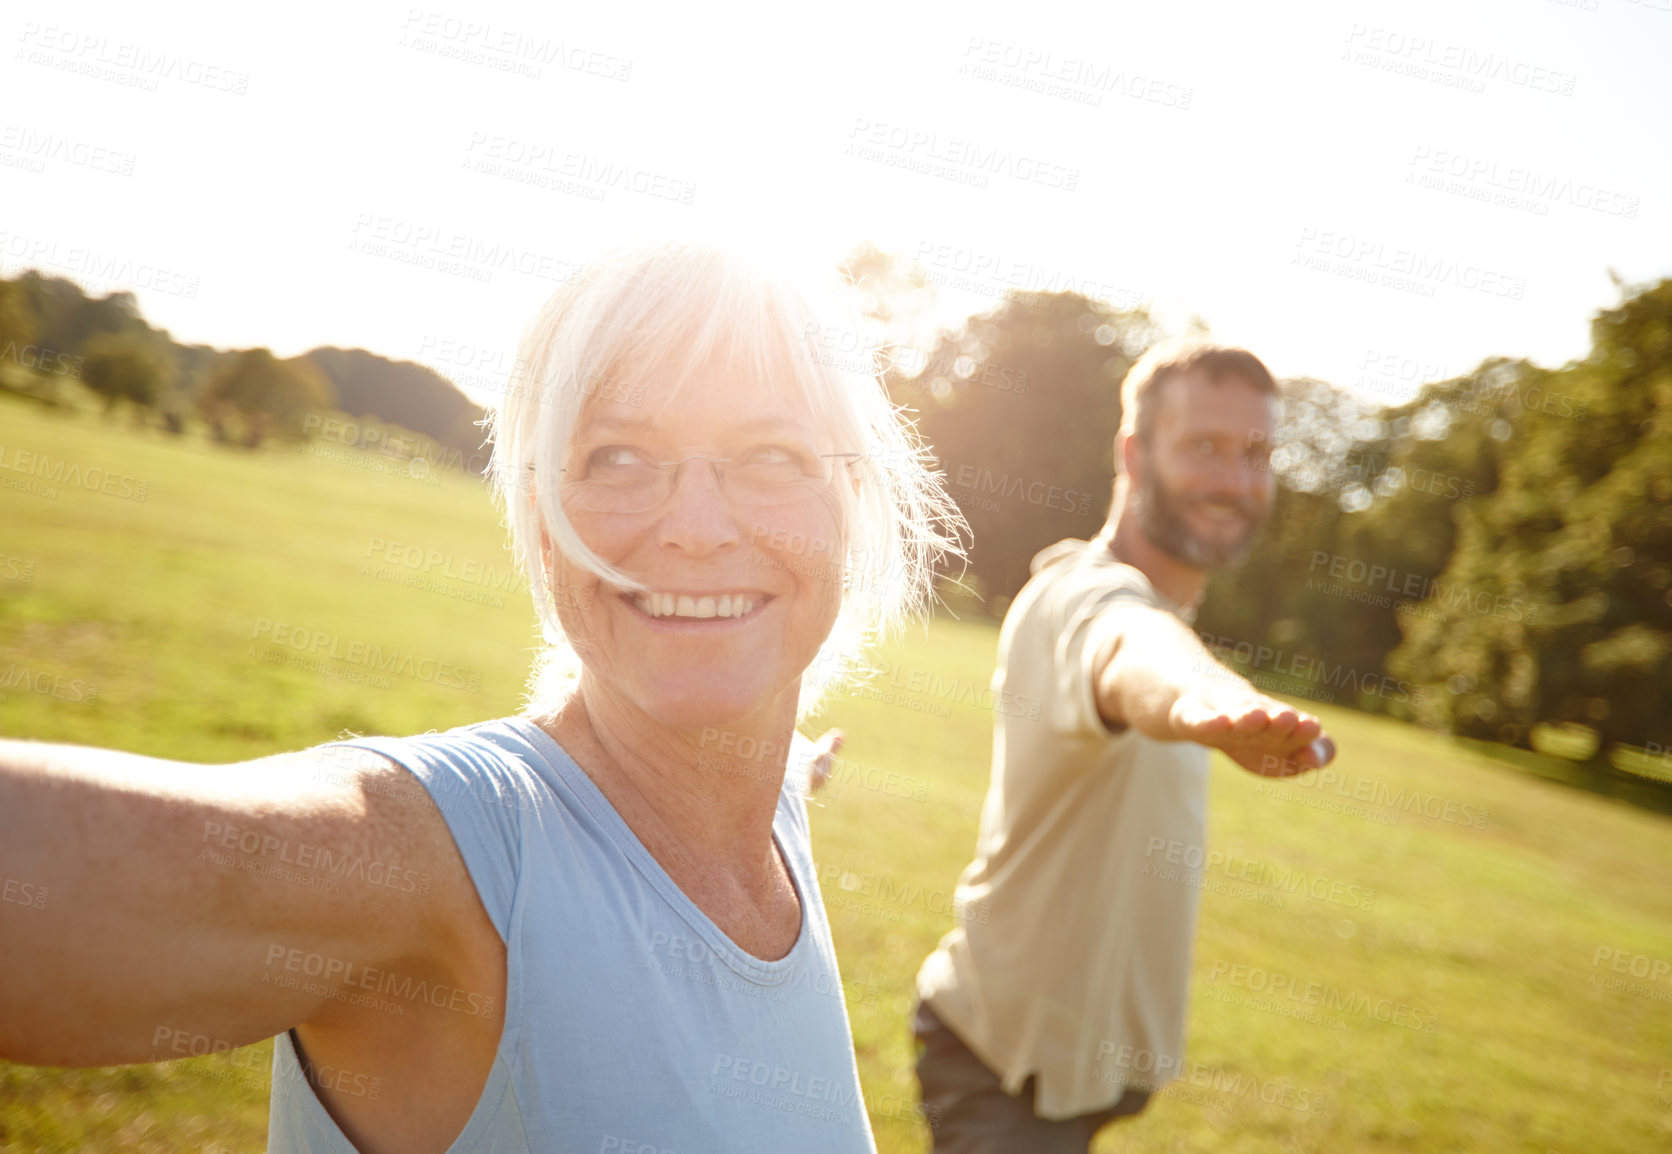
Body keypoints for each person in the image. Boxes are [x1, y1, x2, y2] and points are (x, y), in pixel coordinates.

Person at [0, 239, 961, 1153]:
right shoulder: (442, 857)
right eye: (617, 456)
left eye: (771, 455)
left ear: (855, 501)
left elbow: (746, 787)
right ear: (541, 518)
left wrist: (788, 774)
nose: (698, 528)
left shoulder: (766, 819)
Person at [908, 342, 1337, 1152]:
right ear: (1134, 455)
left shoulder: (1165, 613)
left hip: (1079, 1079)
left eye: (1256, 455)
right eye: (1203, 447)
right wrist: (1205, 697)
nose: (1234, 481)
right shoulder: (1079, 596)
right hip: (1005, 1069)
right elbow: (1128, 646)